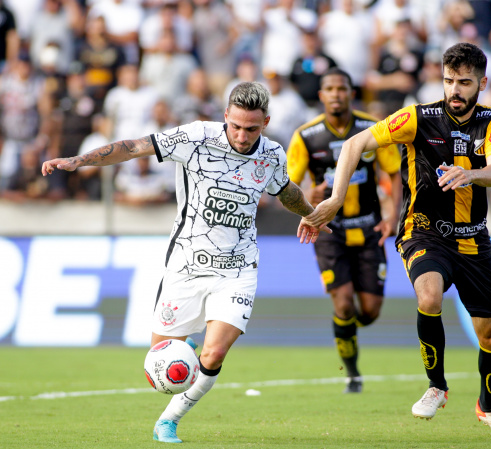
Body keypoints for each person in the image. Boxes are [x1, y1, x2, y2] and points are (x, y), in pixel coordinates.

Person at [41, 82, 329, 444]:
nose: (242, 136)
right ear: (225, 115)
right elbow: (133, 148)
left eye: (251, 129)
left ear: (266, 122)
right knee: (160, 360)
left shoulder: (271, 155)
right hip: (186, 266)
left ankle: (169, 422)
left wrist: (311, 214)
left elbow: (286, 190)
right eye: (236, 126)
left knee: (215, 351)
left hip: (238, 268)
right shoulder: (195, 137)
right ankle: (187, 352)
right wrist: (78, 160)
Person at [299, 43, 491, 438]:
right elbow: (355, 144)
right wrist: (335, 196)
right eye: (449, 80)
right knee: (429, 297)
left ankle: (490, 407)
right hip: (424, 232)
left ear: (482, 83)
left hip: (473, 240)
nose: (455, 89)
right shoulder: (418, 118)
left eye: (465, 82)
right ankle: (437, 386)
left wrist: (471, 175)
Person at [287, 67, 401, 393]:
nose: (336, 94)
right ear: (321, 95)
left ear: (352, 93)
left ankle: (346, 328)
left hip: (369, 229)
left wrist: (393, 215)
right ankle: (352, 373)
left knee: (370, 312)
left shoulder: (372, 129)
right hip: (328, 231)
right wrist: (306, 198)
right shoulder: (306, 136)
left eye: (342, 88)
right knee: (344, 304)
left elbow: (394, 171)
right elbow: (289, 184)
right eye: (330, 89)